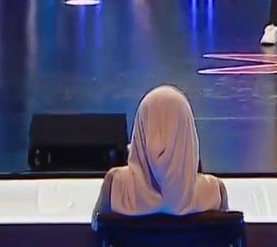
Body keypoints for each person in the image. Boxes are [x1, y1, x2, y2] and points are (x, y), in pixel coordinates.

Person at [93, 85, 227, 219]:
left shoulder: (116, 186)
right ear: (188, 132)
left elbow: (96, 233)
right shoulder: (214, 192)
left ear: (140, 129)